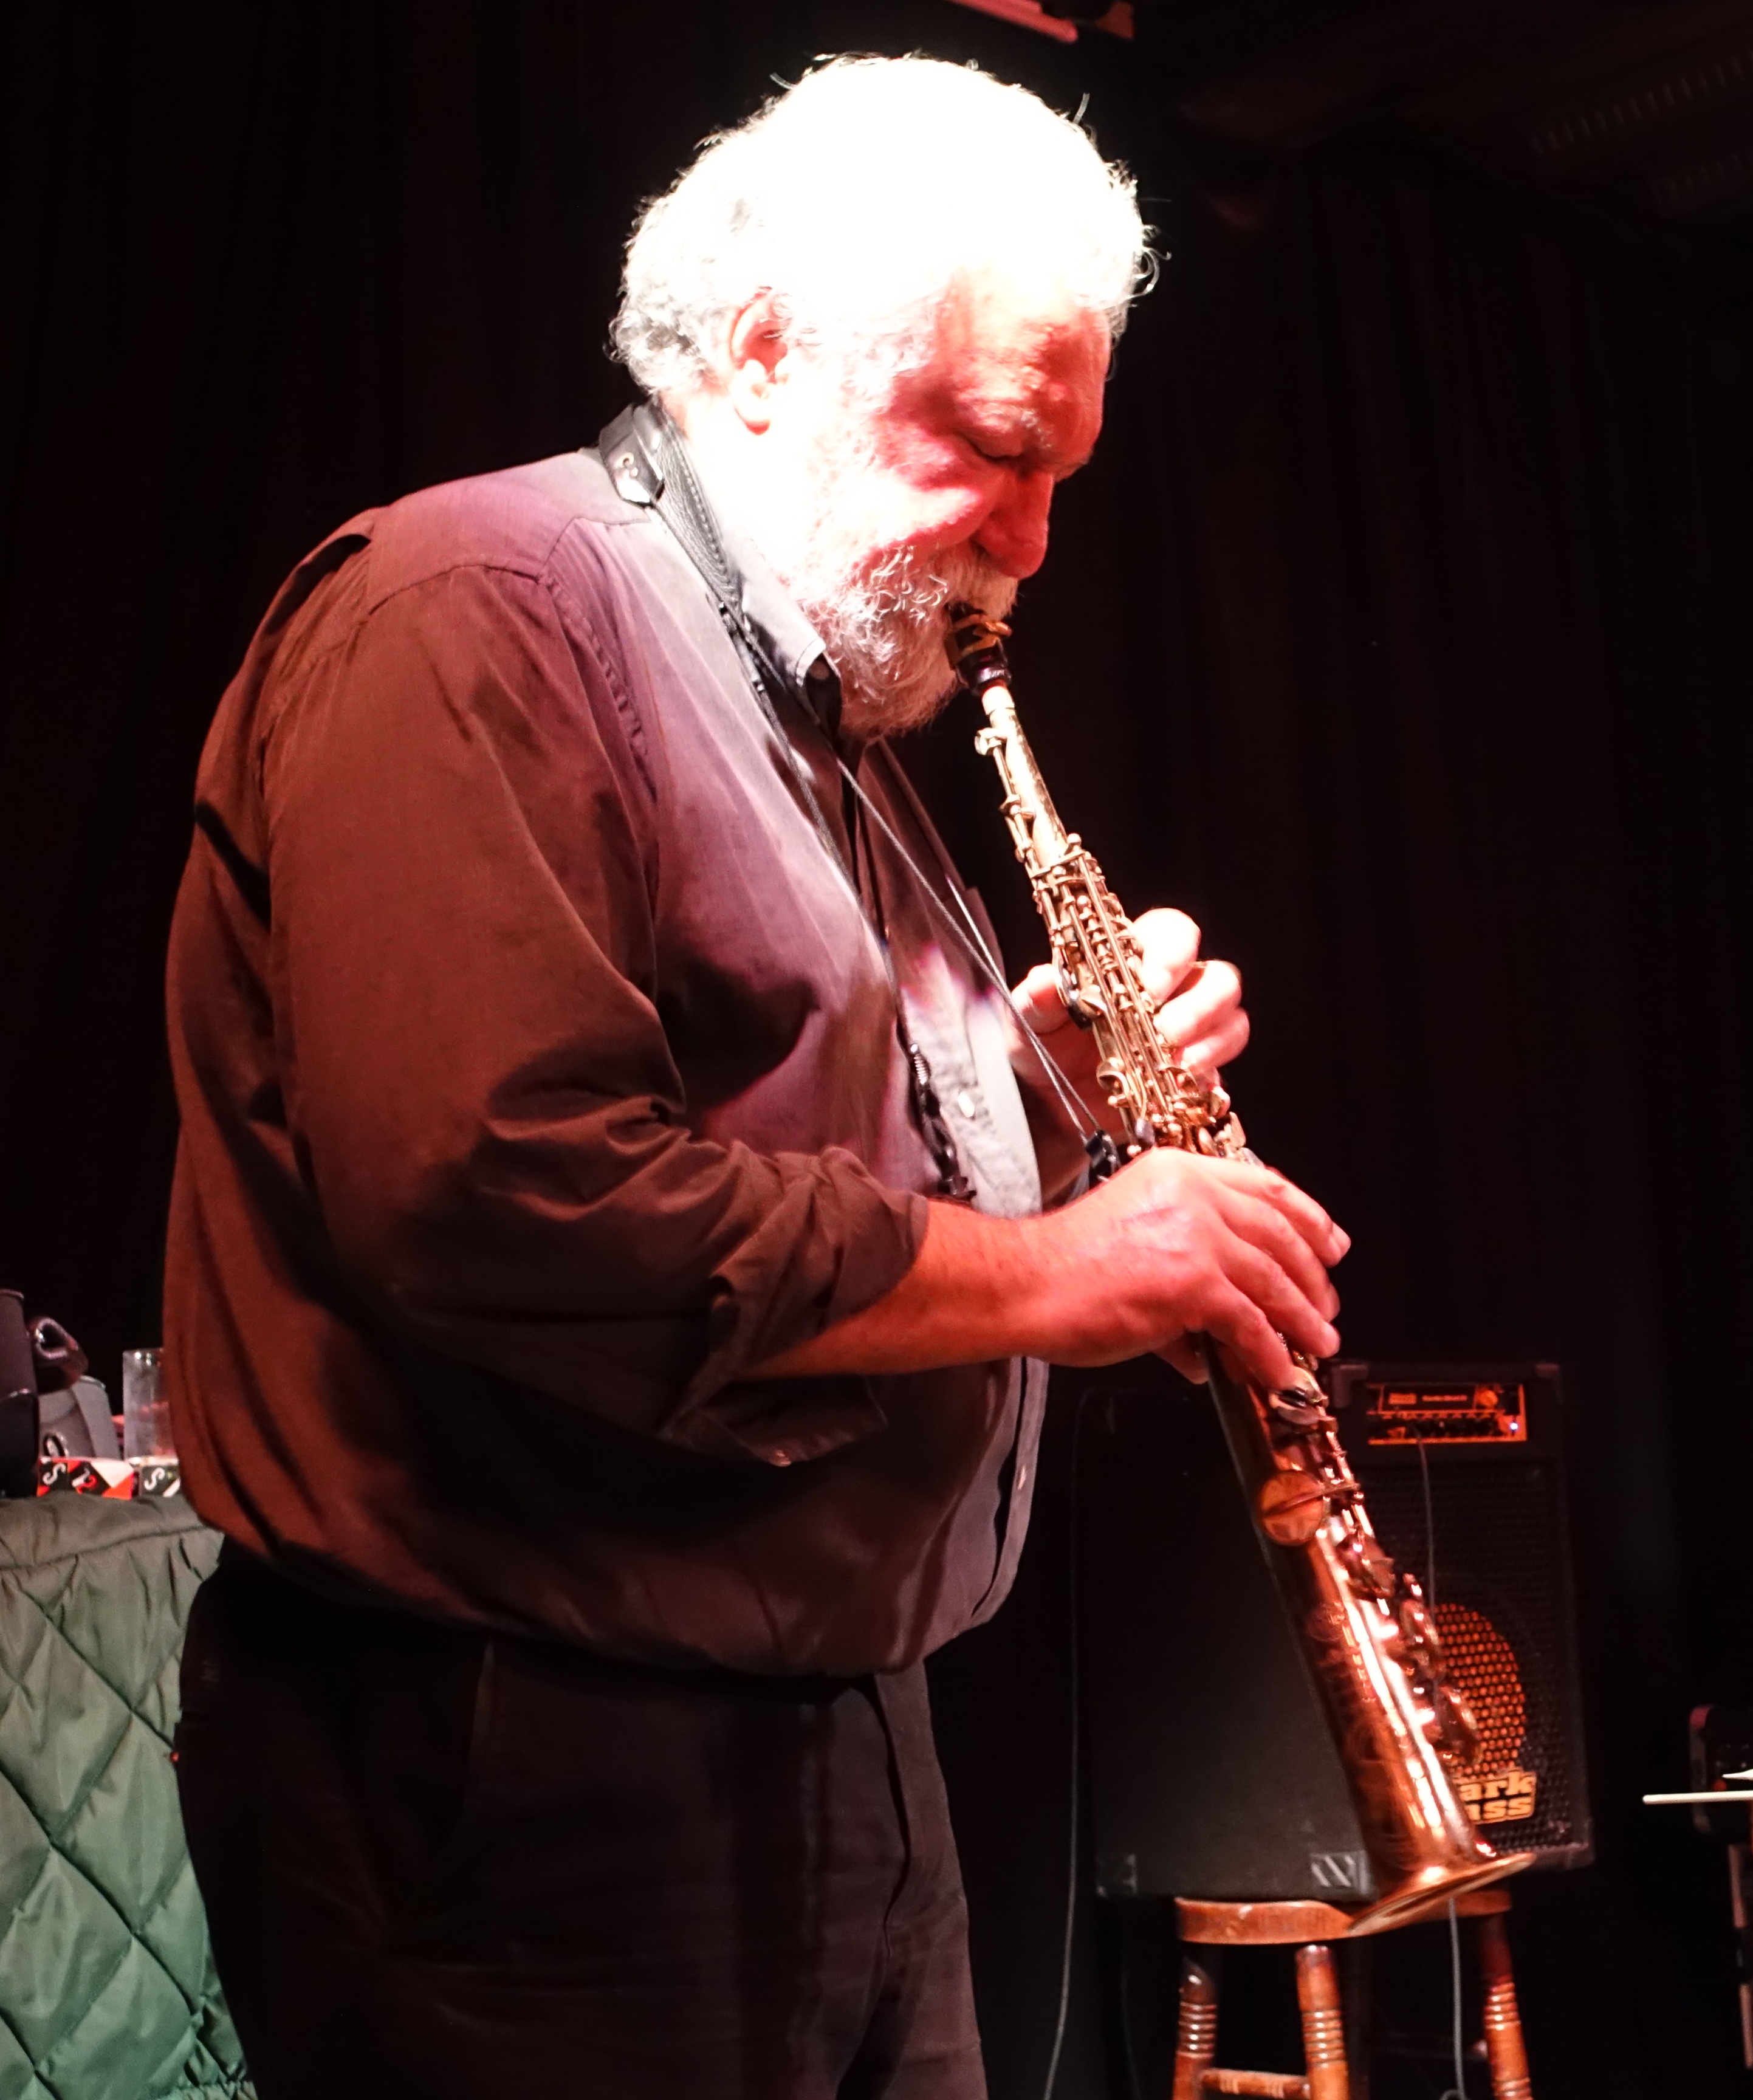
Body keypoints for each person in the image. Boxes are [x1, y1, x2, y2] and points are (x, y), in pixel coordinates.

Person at [159, 58, 1340, 2100]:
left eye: (1062, 476)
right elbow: (497, 1186)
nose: (1032, 547)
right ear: (770, 352)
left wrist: (1041, 1100)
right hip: (524, 1771)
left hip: (833, 1742)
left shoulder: (823, 719)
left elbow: (798, 1158)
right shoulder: (480, 609)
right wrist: (1065, 1275)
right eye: (993, 449)